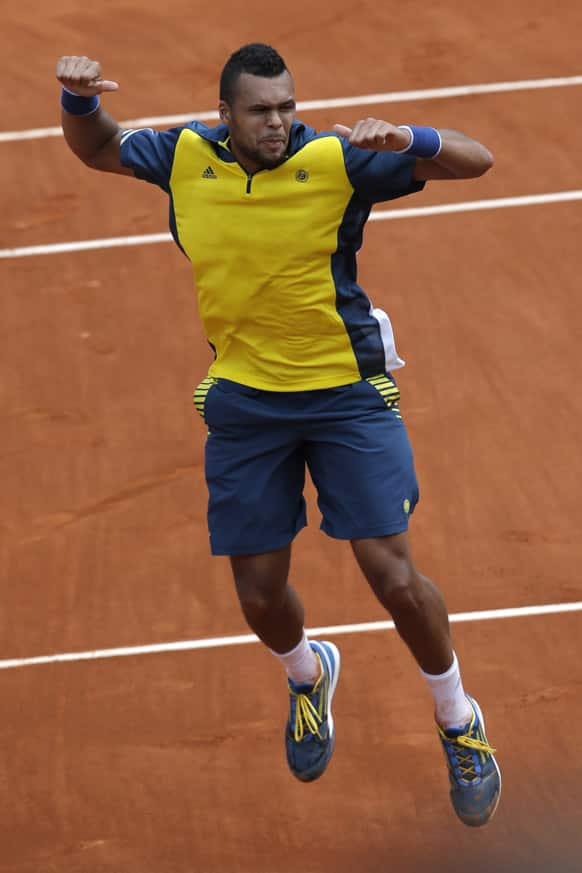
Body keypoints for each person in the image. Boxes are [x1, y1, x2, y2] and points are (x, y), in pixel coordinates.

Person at [56, 43, 501, 826]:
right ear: (224, 111)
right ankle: (308, 672)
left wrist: (410, 140)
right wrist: (82, 100)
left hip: (345, 395)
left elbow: (479, 160)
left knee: (393, 576)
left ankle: (459, 717)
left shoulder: (336, 160)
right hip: (246, 403)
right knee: (258, 593)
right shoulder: (183, 154)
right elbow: (97, 148)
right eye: (261, 110)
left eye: (287, 106)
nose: (278, 122)